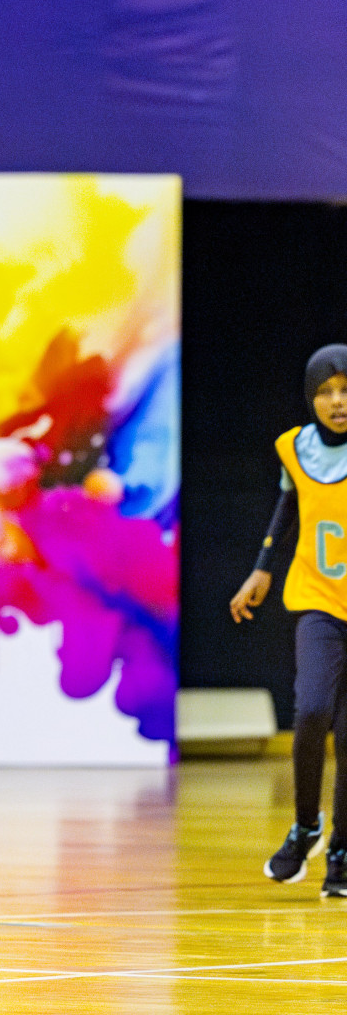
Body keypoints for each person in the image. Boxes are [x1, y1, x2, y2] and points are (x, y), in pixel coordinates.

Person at [230, 344, 347, 898]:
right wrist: (261, 569)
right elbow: (286, 508)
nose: (337, 401)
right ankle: (306, 826)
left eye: (346, 389)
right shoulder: (293, 449)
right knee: (313, 709)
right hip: (317, 598)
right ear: (311, 399)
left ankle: (341, 856)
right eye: (325, 391)